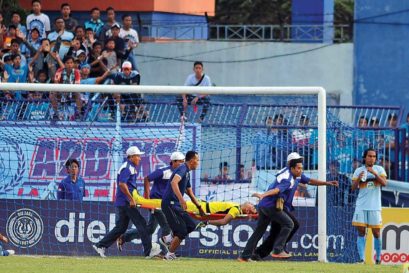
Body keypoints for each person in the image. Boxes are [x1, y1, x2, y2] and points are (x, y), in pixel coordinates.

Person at [251, 152, 339, 261]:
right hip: (276, 206)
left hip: (282, 207)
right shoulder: (286, 176)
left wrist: (326, 183)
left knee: (276, 233)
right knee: (291, 225)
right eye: (297, 163)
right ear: (290, 164)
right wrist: (263, 195)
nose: (300, 166)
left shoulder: (297, 175)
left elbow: (310, 181)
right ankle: (277, 249)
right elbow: (277, 189)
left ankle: (261, 253)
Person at [93, 146, 161, 258]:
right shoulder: (127, 167)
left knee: (121, 228)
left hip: (123, 202)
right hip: (126, 202)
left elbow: (126, 185)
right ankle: (148, 252)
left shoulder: (130, 167)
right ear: (132, 157)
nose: (140, 158)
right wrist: (131, 198)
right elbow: (122, 184)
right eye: (138, 156)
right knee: (142, 224)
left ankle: (100, 245)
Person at [116, 151, 186, 252]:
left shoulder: (181, 174)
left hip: (167, 205)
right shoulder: (163, 171)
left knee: (150, 229)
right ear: (173, 162)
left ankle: (124, 237)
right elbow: (147, 179)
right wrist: (148, 200)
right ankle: (165, 252)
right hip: (156, 204)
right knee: (167, 226)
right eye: (180, 161)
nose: (182, 164)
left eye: (183, 162)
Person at [161, 151, 205, 260]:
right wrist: (181, 200)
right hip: (170, 204)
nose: (198, 162)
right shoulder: (182, 168)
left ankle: (168, 238)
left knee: (191, 225)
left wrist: (199, 207)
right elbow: (174, 182)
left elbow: (189, 192)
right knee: (181, 231)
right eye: (197, 160)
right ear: (191, 161)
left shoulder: (187, 173)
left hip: (176, 205)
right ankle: (169, 255)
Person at [132, 190, 256, 227]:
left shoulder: (235, 210)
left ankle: (140, 200)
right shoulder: (236, 208)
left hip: (199, 208)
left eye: (252, 208)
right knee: (167, 203)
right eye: (252, 206)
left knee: (166, 203)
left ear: (246, 210)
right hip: (201, 205)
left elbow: (223, 222)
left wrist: (207, 222)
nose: (251, 205)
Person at [351, 148, 387, 264]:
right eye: (370, 156)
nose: (372, 158)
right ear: (365, 157)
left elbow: (384, 183)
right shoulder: (358, 170)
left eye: (374, 156)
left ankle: (378, 259)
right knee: (361, 232)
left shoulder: (379, 169)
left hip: (375, 206)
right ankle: (362, 259)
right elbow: (352, 188)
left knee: (376, 233)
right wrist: (358, 179)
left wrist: (374, 173)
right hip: (361, 206)